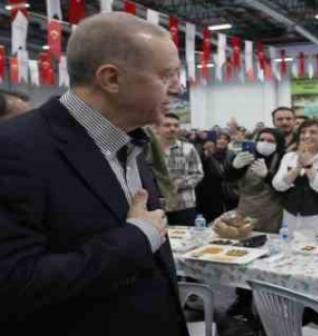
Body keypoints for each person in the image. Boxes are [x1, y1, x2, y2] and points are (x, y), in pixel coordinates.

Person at [0, 12, 187, 335]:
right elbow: (15, 281)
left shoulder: (130, 139)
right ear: (111, 79)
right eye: (167, 75)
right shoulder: (15, 149)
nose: (178, 87)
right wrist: (135, 239)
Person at [273, 119, 318, 237]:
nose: (306, 136)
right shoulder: (289, 157)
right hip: (291, 221)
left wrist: (308, 166)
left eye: (313, 132)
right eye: (303, 132)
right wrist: (297, 168)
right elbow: (278, 185)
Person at [226, 128, 287, 233]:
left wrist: (268, 176)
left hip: (272, 214)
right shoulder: (248, 155)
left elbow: (284, 188)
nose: (265, 143)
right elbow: (229, 179)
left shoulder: (283, 159)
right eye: (261, 139)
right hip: (246, 210)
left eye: (270, 141)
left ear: (278, 143)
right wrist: (233, 168)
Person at [156, 112, 204, 226]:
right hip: (157, 207)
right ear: (157, 127)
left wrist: (179, 184)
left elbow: (198, 174)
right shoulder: (148, 149)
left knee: (186, 240)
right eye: (167, 125)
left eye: (176, 125)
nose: (172, 128)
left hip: (184, 205)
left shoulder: (188, 148)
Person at [196, 133, 237, 222]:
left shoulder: (232, 154)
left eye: (225, 139)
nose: (222, 141)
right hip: (208, 193)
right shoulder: (205, 153)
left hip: (227, 193)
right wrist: (205, 154)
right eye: (219, 138)